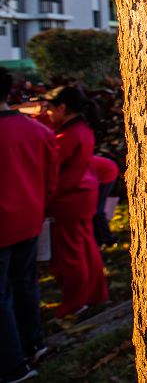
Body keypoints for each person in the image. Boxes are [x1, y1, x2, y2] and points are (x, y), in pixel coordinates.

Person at [0, 69, 57, 383]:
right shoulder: (38, 131)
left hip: (6, 225)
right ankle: (33, 343)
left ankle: (12, 365)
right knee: (25, 283)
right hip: (30, 218)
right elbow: (51, 179)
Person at [38, 86, 109, 320]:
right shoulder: (81, 129)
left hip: (69, 199)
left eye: (49, 108)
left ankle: (75, 304)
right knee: (86, 248)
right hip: (82, 194)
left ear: (62, 108)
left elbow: (51, 168)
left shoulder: (69, 136)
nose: (46, 113)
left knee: (69, 256)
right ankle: (96, 294)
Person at [89, 156, 119, 247]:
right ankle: (99, 239)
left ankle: (108, 238)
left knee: (97, 210)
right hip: (104, 171)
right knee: (94, 209)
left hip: (107, 174)